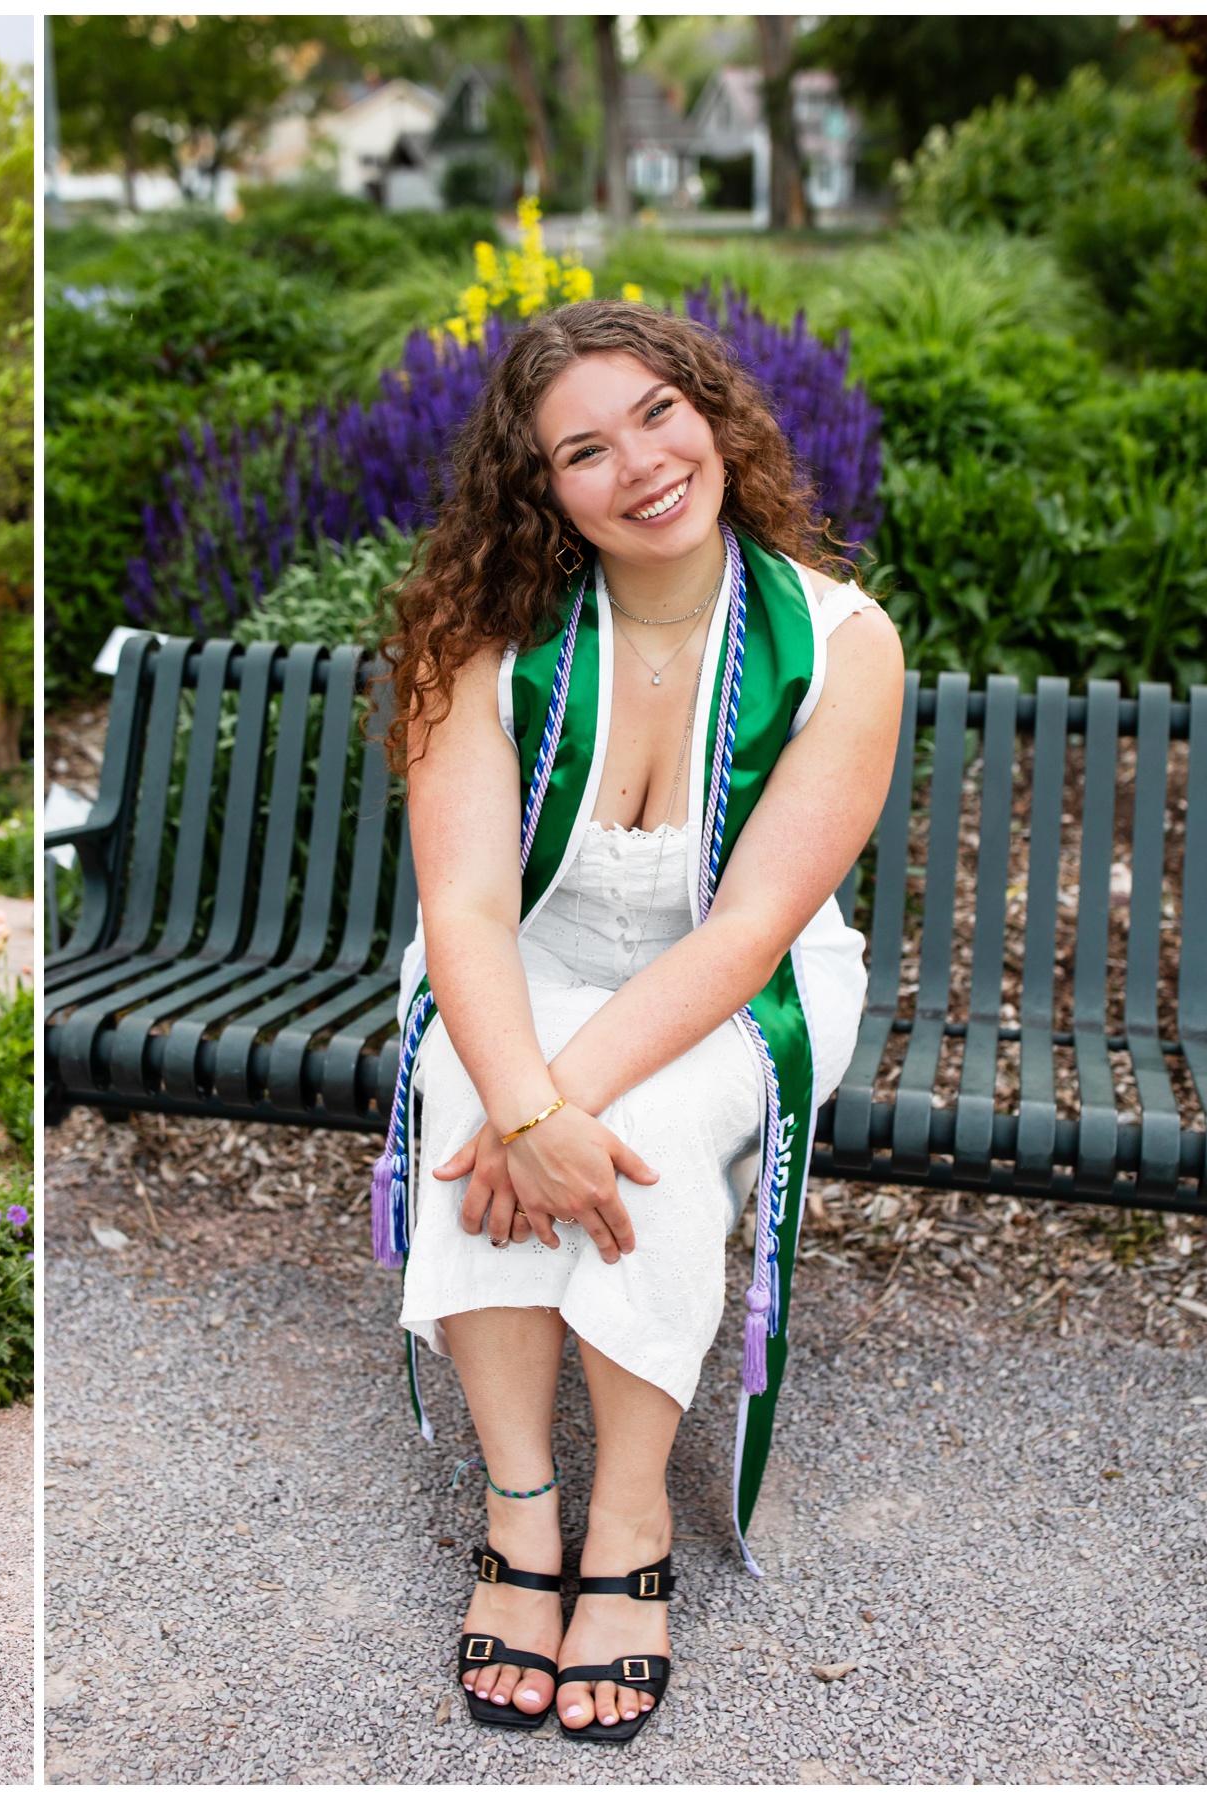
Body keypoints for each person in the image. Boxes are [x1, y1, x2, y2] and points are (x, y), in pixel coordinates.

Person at [372, 302, 902, 1742]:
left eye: (660, 413)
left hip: (745, 981)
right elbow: (468, 909)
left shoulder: (841, 645)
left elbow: (748, 930)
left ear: (713, 414)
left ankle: (628, 1524)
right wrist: (521, 1108)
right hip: (524, 956)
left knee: (644, 1141)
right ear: (541, 489)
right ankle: (519, 1514)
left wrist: (556, 1111)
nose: (644, 465)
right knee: (474, 1106)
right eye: (585, 450)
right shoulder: (480, 639)